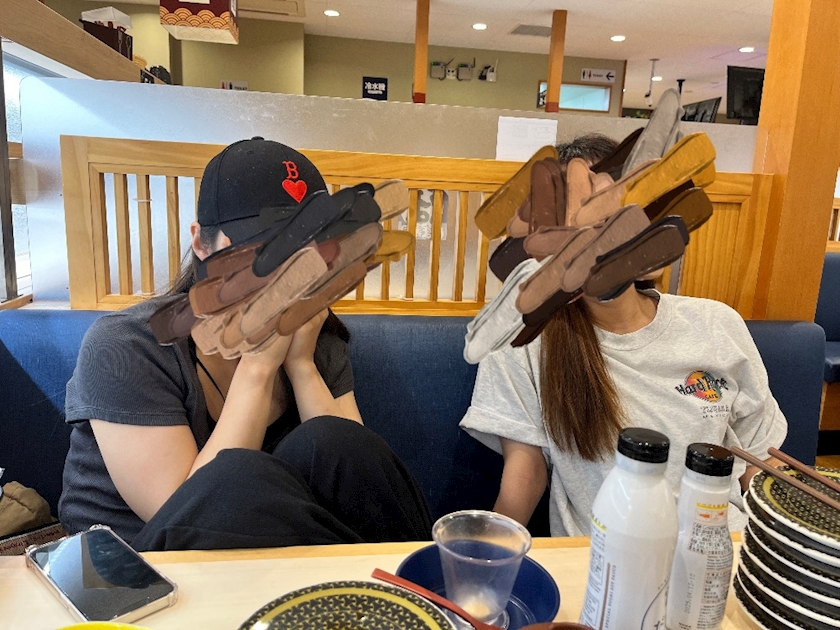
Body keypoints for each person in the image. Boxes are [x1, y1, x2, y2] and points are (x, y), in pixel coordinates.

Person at [58, 137, 432, 551]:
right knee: (237, 475)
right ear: (201, 244)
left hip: (273, 555)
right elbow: (184, 510)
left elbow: (354, 484)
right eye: (263, 248)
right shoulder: (128, 346)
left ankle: (414, 582)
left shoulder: (318, 333)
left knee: (336, 440)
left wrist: (302, 365)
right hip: (138, 563)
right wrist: (258, 365)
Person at [459, 133, 786, 536]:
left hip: (721, 550)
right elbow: (526, 472)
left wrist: (794, 544)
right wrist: (487, 557)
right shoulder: (523, 339)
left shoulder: (717, 323)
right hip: (602, 558)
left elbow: (760, 461)